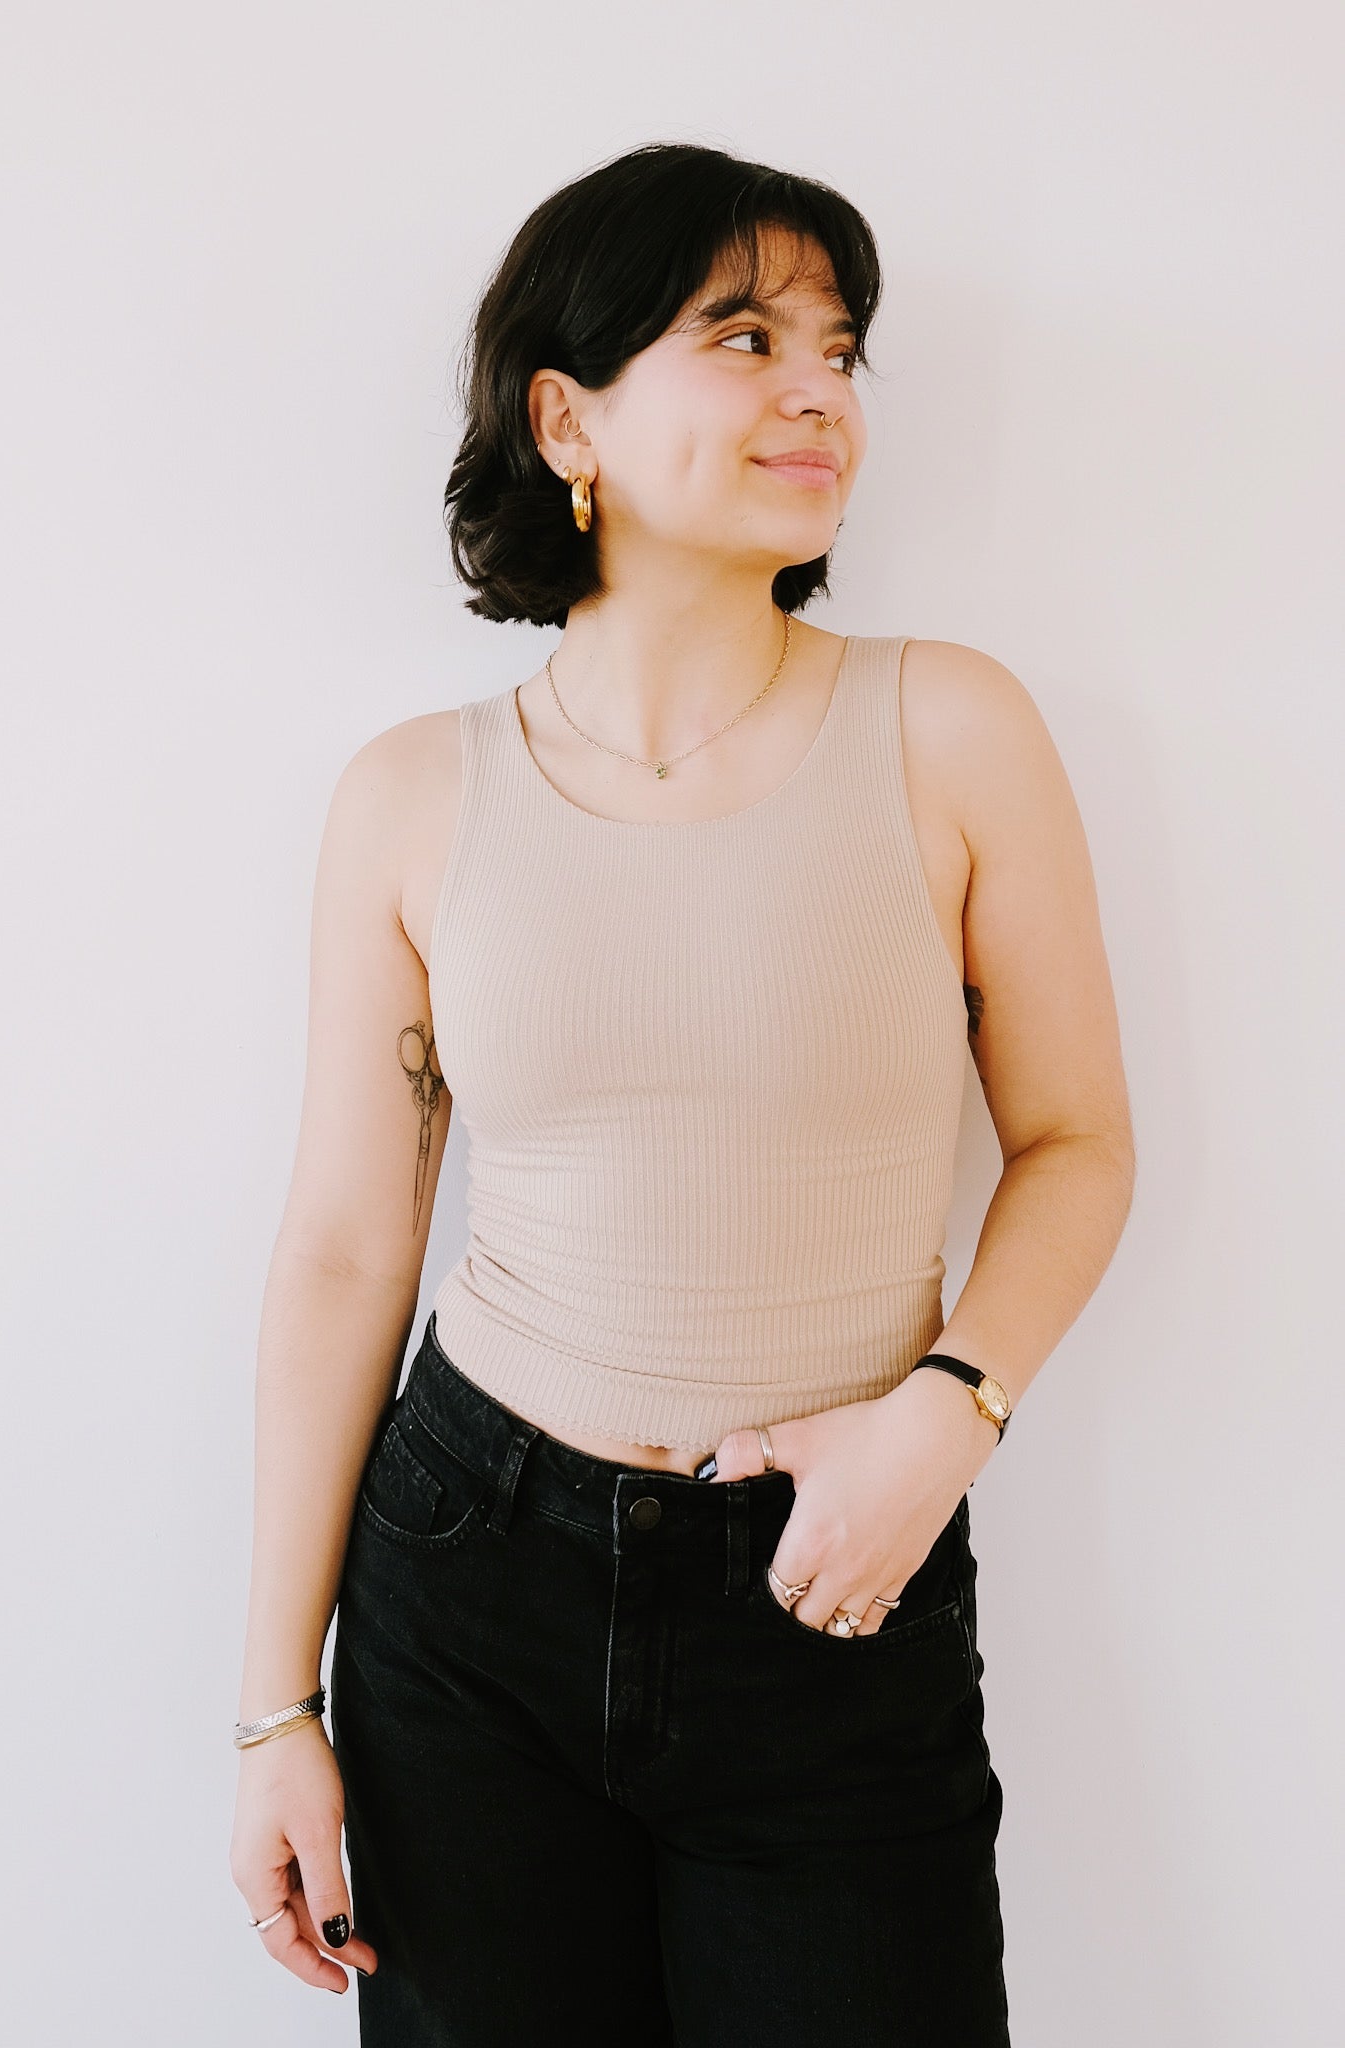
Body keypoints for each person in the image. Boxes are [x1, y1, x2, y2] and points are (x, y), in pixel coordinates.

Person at [229, 140, 1135, 2045]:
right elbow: (345, 1251)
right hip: (466, 1586)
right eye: (744, 336)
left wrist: (948, 1417)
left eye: (839, 347)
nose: (818, 389)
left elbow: (1072, 1143)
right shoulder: (410, 797)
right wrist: (273, 1709)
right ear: (567, 418)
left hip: (831, 1584)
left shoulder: (948, 724)